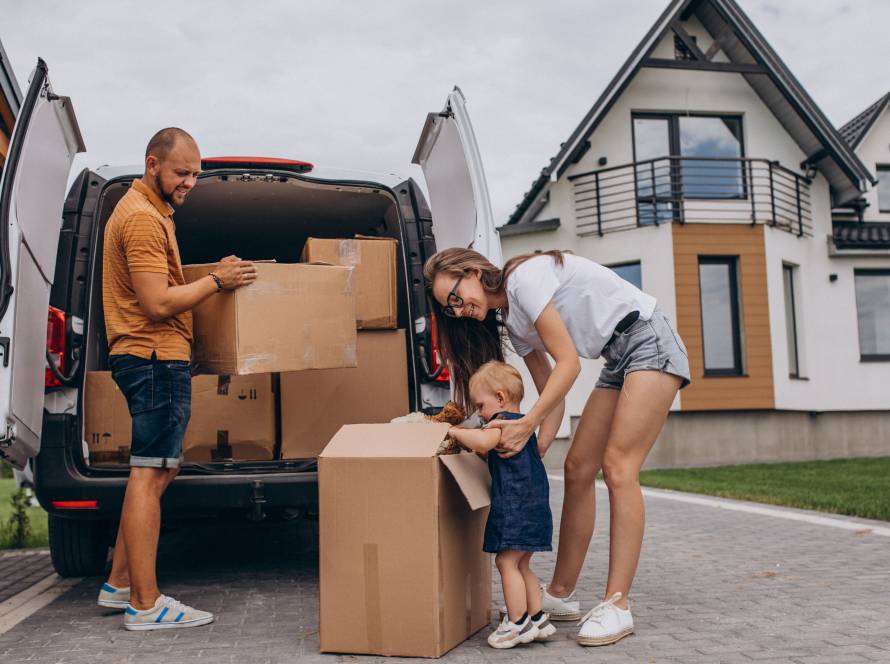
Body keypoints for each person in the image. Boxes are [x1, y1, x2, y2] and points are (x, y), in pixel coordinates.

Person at [424, 247, 690, 647]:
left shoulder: (525, 279)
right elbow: (553, 391)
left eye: (457, 297)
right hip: (617, 358)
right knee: (578, 467)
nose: (459, 310)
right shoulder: (512, 322)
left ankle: (617, 604)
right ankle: (561, 594)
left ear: (474, 272)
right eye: (450, 308)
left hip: (648, 340)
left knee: (619, 467)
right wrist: (534, 445)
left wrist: (527, 423)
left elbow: (569, 364)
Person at [97, 127, 257, 630]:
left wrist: (207, 274)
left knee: (155, 471)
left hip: (145, 357)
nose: (190, 182)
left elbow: (161, 285)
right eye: (181, 173)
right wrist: (216, 281)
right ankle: (145, 605)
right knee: (150, 473)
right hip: (152, 357)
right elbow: (157, 302)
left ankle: (119, 582)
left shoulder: (144, 210)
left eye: (195, 174)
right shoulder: (143, 219)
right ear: (152, 165)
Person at [447, 361, 556, 649]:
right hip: (535, 509)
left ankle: (516, 624)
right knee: (522, 564)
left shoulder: (503, 424)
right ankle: (537, 618)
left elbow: (483, 442)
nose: (479, 414)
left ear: (499, 397)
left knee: (505, 561)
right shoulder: (524, 429)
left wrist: (455, 433)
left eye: (480, 405)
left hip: (515, 508)